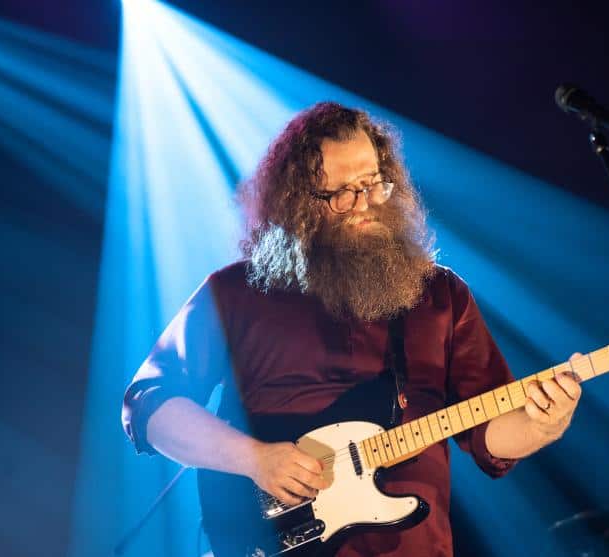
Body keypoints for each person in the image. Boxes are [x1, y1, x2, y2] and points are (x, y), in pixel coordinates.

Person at [121, 101, 582, 556]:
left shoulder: (440, 296)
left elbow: (489, 434)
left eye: (372, 184)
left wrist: (545, 423)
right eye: (341, 193)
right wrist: (255, 459)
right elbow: (150, 405)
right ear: (296, 202)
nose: (364, 204)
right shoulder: (236, 293)